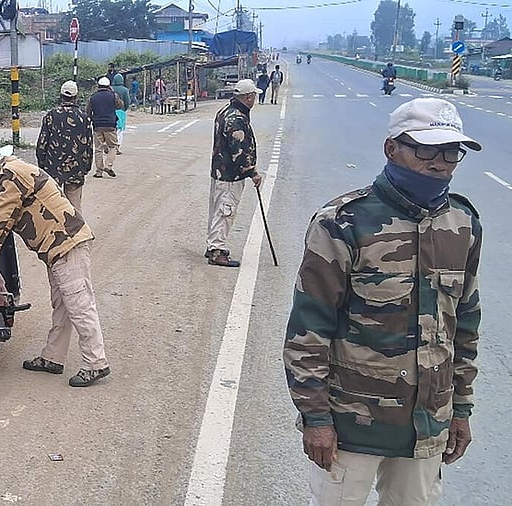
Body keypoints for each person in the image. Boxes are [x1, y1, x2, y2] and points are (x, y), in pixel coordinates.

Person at [284, 97, 483, 505]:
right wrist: (316, 418)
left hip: (427, 429)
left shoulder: (463, 224)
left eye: (451, 151)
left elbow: (464, 326)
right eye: (426, 149)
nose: (440, 163)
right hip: (352, 427)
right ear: (392, 147)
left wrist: (460, 410)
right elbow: (309, 328)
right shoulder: (342, 222)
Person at [0, 148, 111, 387]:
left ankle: (96, 364)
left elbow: (0, 219)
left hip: (66, 244)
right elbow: (0, 222)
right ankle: (53, 357)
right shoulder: (10, 171)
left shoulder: (10, 178)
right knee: (63, 304)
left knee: (79, 305)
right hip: (58, 247)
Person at [206, 79, 262, 267]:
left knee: (217, 210)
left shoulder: (225, 111)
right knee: (225, 212)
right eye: (254, 95)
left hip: (219, 171)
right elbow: (239, 150)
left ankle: (213, 244)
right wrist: (252, 172)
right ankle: (217, 250)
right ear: (248, 97)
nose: (255, 99)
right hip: (230, 174)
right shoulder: (237, 118)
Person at [35, 80, 93, 212]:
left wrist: (42, 165)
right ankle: (76, 231)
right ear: (76, 97)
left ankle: (54, 231)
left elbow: (42, 143)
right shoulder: (84, 117)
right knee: (74, 207)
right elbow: (89, 145)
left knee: (52, 206)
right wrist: (86, 167)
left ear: (61, 96)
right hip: (76, 167)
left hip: (53, 168)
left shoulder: (51, 116)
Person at [85, 76, 122, 179]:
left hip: (97, 125)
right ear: (109, 86)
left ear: (98, 86)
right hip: (110, 125)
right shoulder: (113, 95)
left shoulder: (93, 97)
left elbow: (87, 111)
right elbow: (120, 105)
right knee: (113, 146)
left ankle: (99, 171)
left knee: (98, 149)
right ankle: (108, 165)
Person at [111, 73, 130, 154]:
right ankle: (117, 146)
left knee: (112, 129)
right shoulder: (125, 90)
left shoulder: (111, 89)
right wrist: (124, 109)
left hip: (111, 111)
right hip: (121, 112)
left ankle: (110, 145)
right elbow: (127, 102)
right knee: (119, 130)